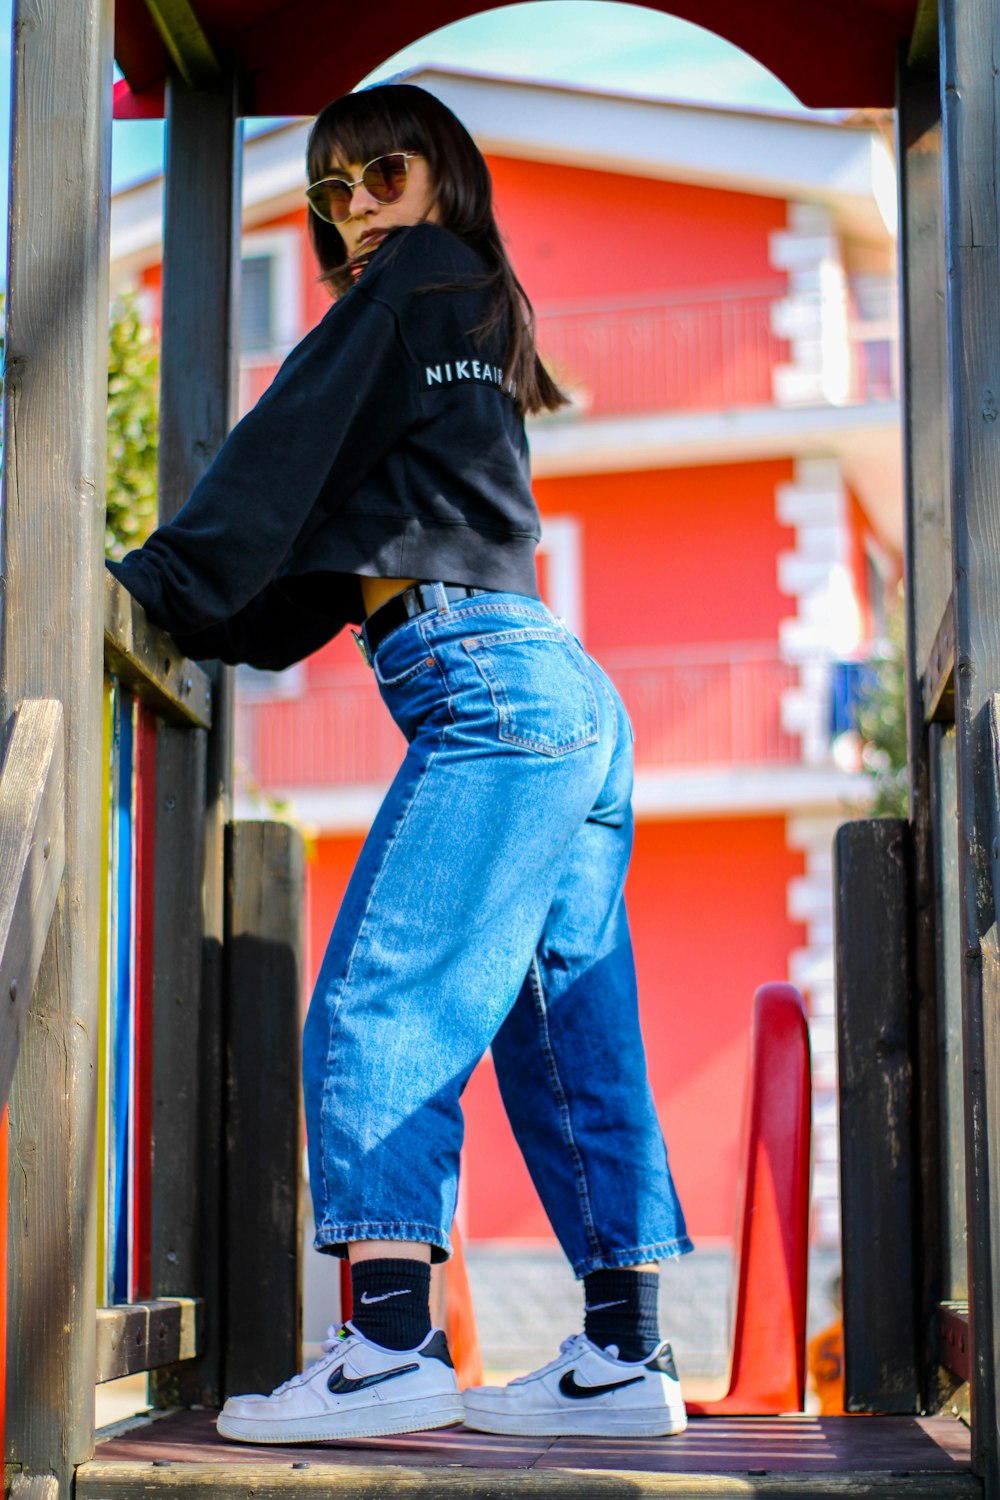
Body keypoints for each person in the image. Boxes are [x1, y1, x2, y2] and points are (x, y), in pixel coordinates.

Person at [108, 82, 692, 1445]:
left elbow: (279, 446)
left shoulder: (416, 285)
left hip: (489, 685)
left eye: (383, 176)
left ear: (444, 182)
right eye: (333, 193)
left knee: (382, 999)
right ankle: (624, 1358)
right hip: (557, 693)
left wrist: (160, 579)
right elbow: (328, 544)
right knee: (561, 1028)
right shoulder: (463, 315)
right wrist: (219, 616)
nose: (357, 212)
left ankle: (387, 1349)